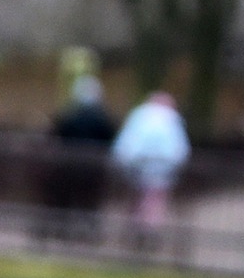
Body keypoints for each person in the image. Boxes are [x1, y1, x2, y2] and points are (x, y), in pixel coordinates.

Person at [40, 75, 116, 239]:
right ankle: (88, 232)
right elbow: (109, 138)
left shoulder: (70, 115)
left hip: (69, 166)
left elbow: (58, 134)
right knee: (89, 203)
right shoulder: (102, 118)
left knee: (66, 199)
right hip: (93, 170)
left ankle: (63, 230)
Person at [110, 89, 190, 242]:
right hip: (162, 169)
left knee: (137, 198)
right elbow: (179, 148)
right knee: (155, 200)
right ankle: (149, 231)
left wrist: (123, 160)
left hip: (137, 166)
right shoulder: (171, 118)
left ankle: (136, 229)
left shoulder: (140, 115)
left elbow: (127, 142)